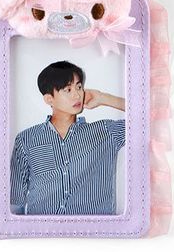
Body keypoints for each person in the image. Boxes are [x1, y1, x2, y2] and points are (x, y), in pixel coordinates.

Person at [10, 60, 125, 215]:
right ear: (49, 99)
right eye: (68, 89)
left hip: (94, 229)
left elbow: (148, 118)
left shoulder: (105, 132)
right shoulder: (26, 140)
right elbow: (15, 200)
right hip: (40, 229)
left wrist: (103, 98)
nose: (77, 95)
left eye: (79, 87)